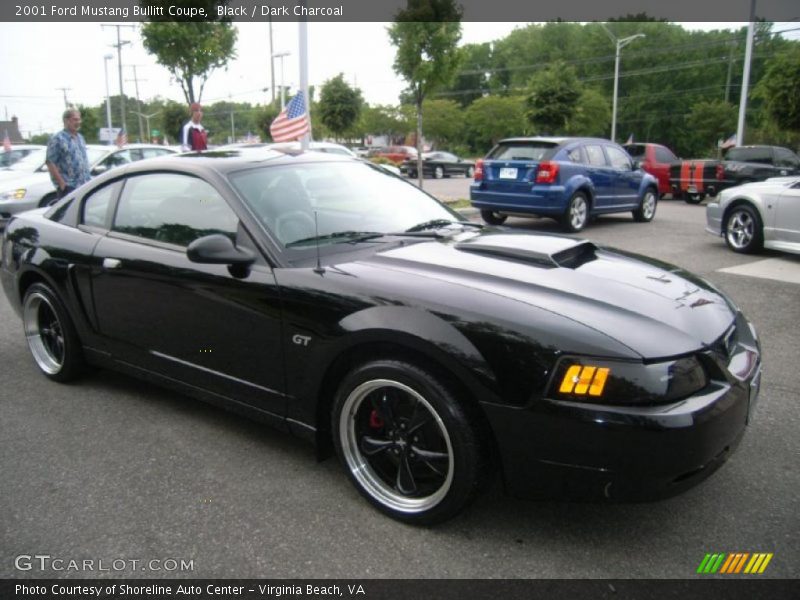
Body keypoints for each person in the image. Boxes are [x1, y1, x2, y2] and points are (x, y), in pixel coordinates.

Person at [46, 108, 91, 200]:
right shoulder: (57, 139)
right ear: (66, 121)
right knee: (69, 214)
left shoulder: (80, 138)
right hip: (69, 187)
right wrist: (62, 185)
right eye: (75, 119)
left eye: (79, 119)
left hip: (84, 185)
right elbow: (50, 162)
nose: (78, 122)